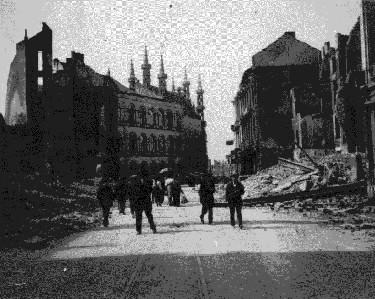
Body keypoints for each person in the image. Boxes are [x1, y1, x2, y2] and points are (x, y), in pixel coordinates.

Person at [134, 169, 157, 235]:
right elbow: (151, 190)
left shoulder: (136, 182)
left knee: (139, 216)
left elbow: (133, 192)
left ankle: (139, 230)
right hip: (145, 200)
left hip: (139, 201)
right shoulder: (148, 181)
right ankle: (153, 228)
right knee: (149, 215)